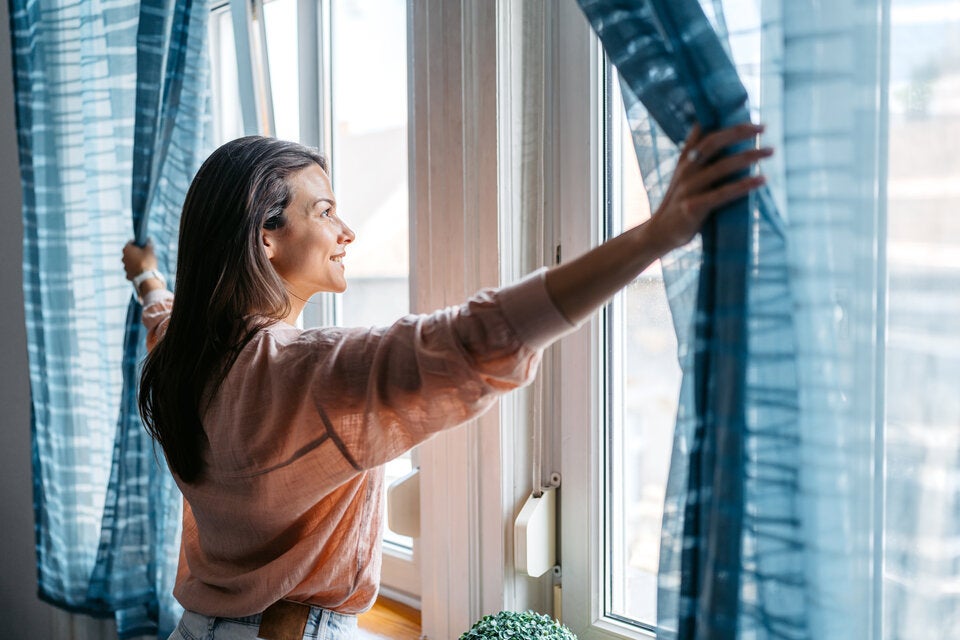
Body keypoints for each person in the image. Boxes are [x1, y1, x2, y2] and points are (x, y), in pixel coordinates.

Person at [122, 124, 770, 640]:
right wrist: (656, 235)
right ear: (266, 237)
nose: (346, 231)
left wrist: (146, 273)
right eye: (324, 211)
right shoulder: (304, 372)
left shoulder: (184, 353)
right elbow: (479, 336)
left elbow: (161, 307)